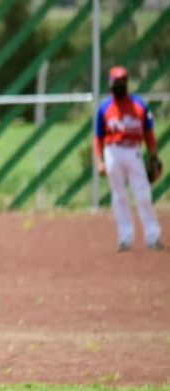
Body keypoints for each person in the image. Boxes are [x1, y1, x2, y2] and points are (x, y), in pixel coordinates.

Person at [93, 65, 163, 252]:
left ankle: (152, 237)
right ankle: (125, 237)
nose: (117, 85)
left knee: (143, 194)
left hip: (134, 151)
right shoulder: (104, 107)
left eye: (121, 82)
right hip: (113, 151)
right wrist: (99, 161)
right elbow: (98, 137)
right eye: (115, 82)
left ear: (126, 83)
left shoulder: (139, 105)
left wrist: (154, 156)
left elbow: (149, 134)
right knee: (119, 195)